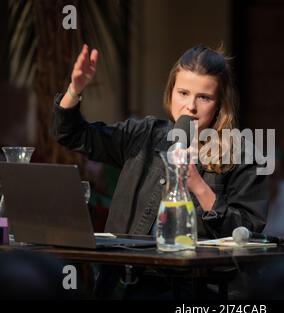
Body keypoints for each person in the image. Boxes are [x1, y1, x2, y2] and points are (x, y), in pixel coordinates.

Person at [52, 44, 268, 240]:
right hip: (128, 275)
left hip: (194, 278)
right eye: (183, 93)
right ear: (171, 92)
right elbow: (72, 135)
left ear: (220, 103)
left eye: (204, 97)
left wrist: (199, 186)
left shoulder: (243, 154)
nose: (190, 106)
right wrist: (75, 89)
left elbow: (247, 234)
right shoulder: (145, 133)